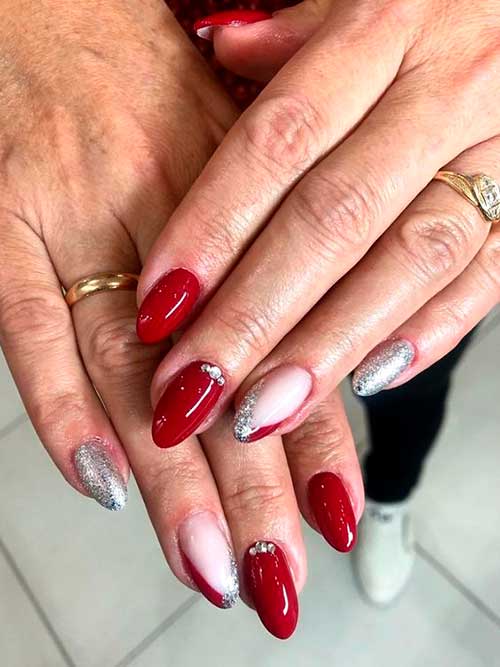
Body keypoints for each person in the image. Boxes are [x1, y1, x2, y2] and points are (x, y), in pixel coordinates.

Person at [0, 0, 498, 640]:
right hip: (123, 94)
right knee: (150, 358)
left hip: (434, 105)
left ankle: (390, 494)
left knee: (405, 365)